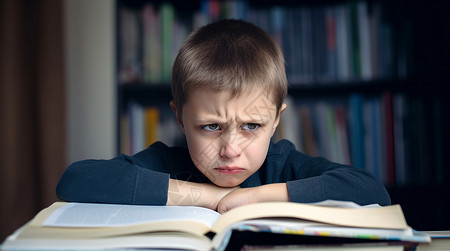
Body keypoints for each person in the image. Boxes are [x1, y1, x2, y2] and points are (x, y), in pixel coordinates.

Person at [56, 19, 390, 213]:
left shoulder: (281, 164)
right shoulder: (165, 161)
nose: (230, 150)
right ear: (180, 118)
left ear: (276, 120)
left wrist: (251, 197)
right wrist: (213, 198)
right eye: (211, 126)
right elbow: (76, 180)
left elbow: (370, 190)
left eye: (251, 126)